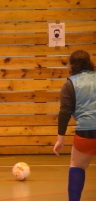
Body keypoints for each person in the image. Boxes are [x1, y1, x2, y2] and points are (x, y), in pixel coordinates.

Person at [53, 50, 96, 201]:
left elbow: (64, 113)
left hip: (85, 133)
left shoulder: (70, 84)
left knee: (77, 167)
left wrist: (60, 139)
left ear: (72, 65)